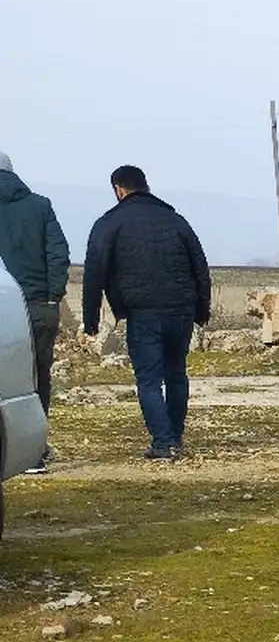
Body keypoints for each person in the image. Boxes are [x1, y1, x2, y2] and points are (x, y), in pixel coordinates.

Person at [82, 165, 212, 460]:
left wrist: (91, 318)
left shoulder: (109, 223)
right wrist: (201, 309)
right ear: (146, 187)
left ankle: (163, 443)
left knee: (149, 380)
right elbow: (200, 268)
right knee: (176, 374)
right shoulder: (176, 220)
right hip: (181, 310)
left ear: (118, 190)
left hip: (143, 313)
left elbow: (94, 272)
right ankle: (175, 439)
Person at [0, 149, 70, 463]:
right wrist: (53, 296)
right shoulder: (40, 206)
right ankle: (34, 453)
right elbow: (58, 253)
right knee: (37, 377)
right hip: (38, 304)